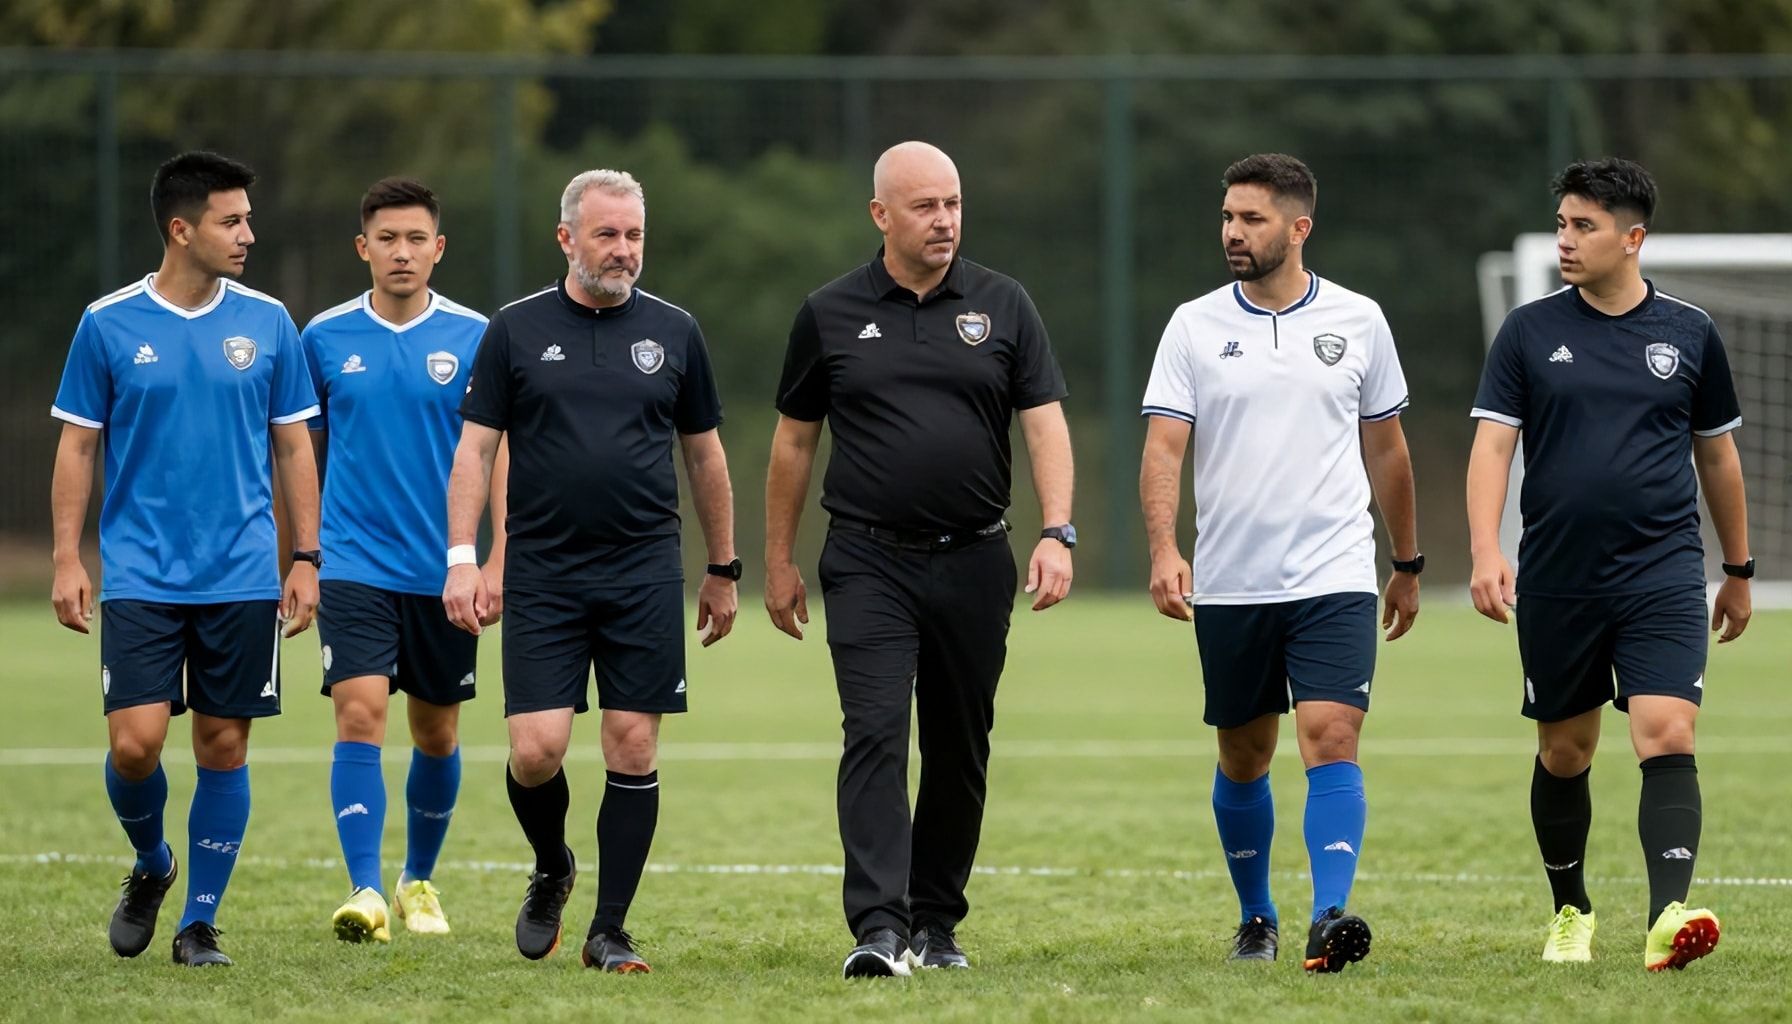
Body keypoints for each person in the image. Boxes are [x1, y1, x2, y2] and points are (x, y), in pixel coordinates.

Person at [765, 140, 1077, 979]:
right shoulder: (828, 312)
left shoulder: (1005, 305)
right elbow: (794, 443)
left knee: (958, 745)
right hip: (866, 561)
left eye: (954, 204)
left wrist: (1057, 530)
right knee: (873, 732)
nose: (945, 221)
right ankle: (877, 926)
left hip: (976, 562)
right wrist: (777, 560)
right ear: (881, 215)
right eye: (926, 207)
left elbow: (1044, 422)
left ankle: (936, 924)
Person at [444, 168, 738, 974]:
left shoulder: (676, 332)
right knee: (536, 750)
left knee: (632, 745)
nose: (623, 250)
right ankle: (552, 866)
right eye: (607, 234)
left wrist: (723, 566)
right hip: (542, 570)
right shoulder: (513, 329)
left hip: (644, 570)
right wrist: (464, 559)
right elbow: (475, 449)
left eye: (635, 235)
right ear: (567, 238)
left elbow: (705, 455)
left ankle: (609, 929)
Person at [1138, 153, 1420, 974]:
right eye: (1227, 217)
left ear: (1299, 228)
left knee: (1330, 735)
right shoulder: (1193, 325)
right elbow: (1163, 448)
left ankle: (1329, 917)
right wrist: (1164, 547)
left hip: (1334, 572)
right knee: (1245, 755)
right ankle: (1256, 918)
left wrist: (1407, 560)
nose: (1232, 232)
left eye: (1251, 219)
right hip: (1232, 579)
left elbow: (1389, 450)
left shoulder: (1361, 320)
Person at [1466, 157, 1750, 971]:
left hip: (1661, 571)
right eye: (1561, 223)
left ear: (1633, 238)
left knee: (1667, 730)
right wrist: (1487, 551)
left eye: (1583, 226)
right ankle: (1571, 910)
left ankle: (1668, 918)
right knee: (1567, 751)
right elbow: (1492, 445)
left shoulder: (1690, 332)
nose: (1566, 239)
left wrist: (1739, 567)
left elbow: (1719, 458)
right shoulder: (1529, 330)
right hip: (1558, 575)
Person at [49, 151, 321, 967]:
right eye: (230, 221)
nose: (247, 234)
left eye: (247, 218)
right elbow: (77, 446)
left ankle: (199, 922)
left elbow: (295, 447)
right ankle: (151, 863)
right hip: (139, 570)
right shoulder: (108, 322)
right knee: (134, 745)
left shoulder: (270, 321)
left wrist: (304, 556)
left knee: (223, 747)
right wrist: (67, 556)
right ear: (181, 228)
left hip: (240, 572)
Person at [301, 177, 504, 943]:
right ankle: (365, 891)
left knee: (436, 733)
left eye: (417, 238)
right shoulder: (320, 338)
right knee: (360, 714)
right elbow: (299, 456)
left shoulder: (478, 336)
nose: (402, 252)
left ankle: (418, 879)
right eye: (386, 238)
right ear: (363, 247)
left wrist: (497, 557)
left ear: (439, 248)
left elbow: (497, 456)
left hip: (444, 570)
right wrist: (306, 555)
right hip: (353, 562)